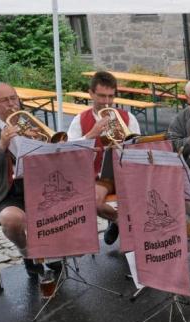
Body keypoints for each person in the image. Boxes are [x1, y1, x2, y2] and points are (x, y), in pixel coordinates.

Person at [0, 82, 52, 277]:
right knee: (12, 220)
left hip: (36, 185)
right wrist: (1, 145)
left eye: (14, 98)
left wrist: (39, 143)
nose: (12, 104)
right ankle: (28, 254)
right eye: (5, 100)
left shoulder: (28, 121)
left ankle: (56, 252)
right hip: (4, 191)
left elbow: (50, 157)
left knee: (70, 198)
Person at [67, 71, 141, 245]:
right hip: (99, 175)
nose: (107, 102)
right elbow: (69, 152)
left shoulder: (127, 117)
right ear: (91, 93)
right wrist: (92, 134)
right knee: (93, 202)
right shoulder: (80, 120)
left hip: (126, 172)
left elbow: (138, 146)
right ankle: (120, 222)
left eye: (110, 96)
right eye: (101, 96)